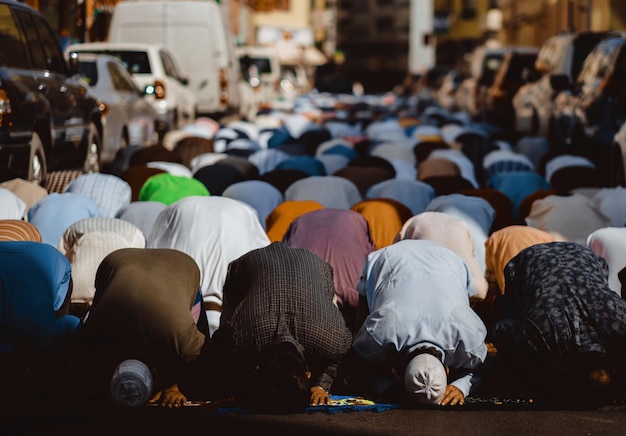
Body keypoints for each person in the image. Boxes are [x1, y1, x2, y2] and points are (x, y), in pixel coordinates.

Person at [212, 242, 353, 413]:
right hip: (244, 268)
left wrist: (322, 385)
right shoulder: (240, 337)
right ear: (308, 374)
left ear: (308, 374)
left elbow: (344, 346)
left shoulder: (331, 337)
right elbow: (221, 342)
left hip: (315, 267)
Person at [345, 239, 488, 407]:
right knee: (360, 329)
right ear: (448, 370)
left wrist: (460, 386)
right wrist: (386, 387)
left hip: (445, 258)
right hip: (403, 257)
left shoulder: (465, 331)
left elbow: (356, 360)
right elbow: (355, 358)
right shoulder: (382, 331)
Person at [490, 242, 626, 407]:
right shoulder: (544, 338)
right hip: (526, 261)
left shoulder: (619, 325)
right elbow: (501, 330)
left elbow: (500, 329)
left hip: (584, 256)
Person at [71, 248, 210, 408]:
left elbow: (206, 359)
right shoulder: (96, 336)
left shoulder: (182, 338)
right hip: (118, 259)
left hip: (176, 264)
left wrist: (176, 387)